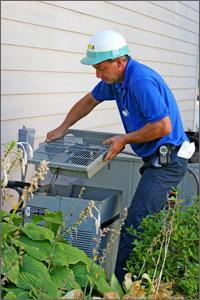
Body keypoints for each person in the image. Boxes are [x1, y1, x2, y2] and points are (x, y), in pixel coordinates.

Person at [46, 30, 191, 284]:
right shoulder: (117, 81)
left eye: (101, 68)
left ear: (120, 62)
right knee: (146, 223)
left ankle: (121, 288)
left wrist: (124, 139)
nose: (97, 74)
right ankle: (146, 278)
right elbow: (89, 101)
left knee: (134, 227)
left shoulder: (139, 81)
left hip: (167, 163)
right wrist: (63, 127)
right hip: (154, 160)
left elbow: (162, 127)